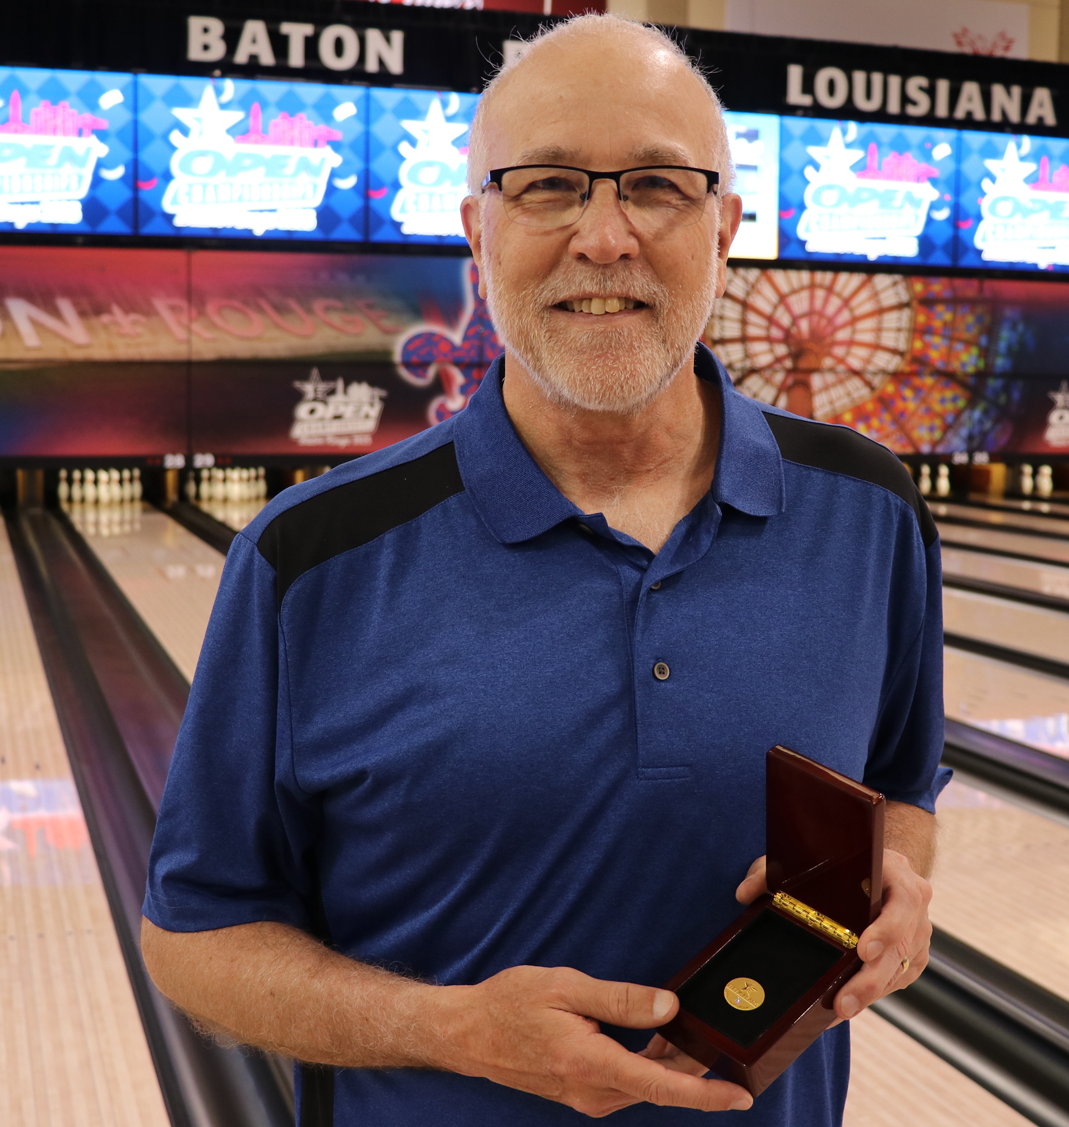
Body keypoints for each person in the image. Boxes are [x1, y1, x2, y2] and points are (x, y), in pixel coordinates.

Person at [140, 14, 947, 1124]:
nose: (604, 237)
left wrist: (900, 889)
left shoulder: (870, 511)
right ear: (477, 230)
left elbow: (902, 789)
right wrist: (448, 1029)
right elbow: (195, 935)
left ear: (725, 229)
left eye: (658, 186)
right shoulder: (309, 559)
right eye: (549, 186)